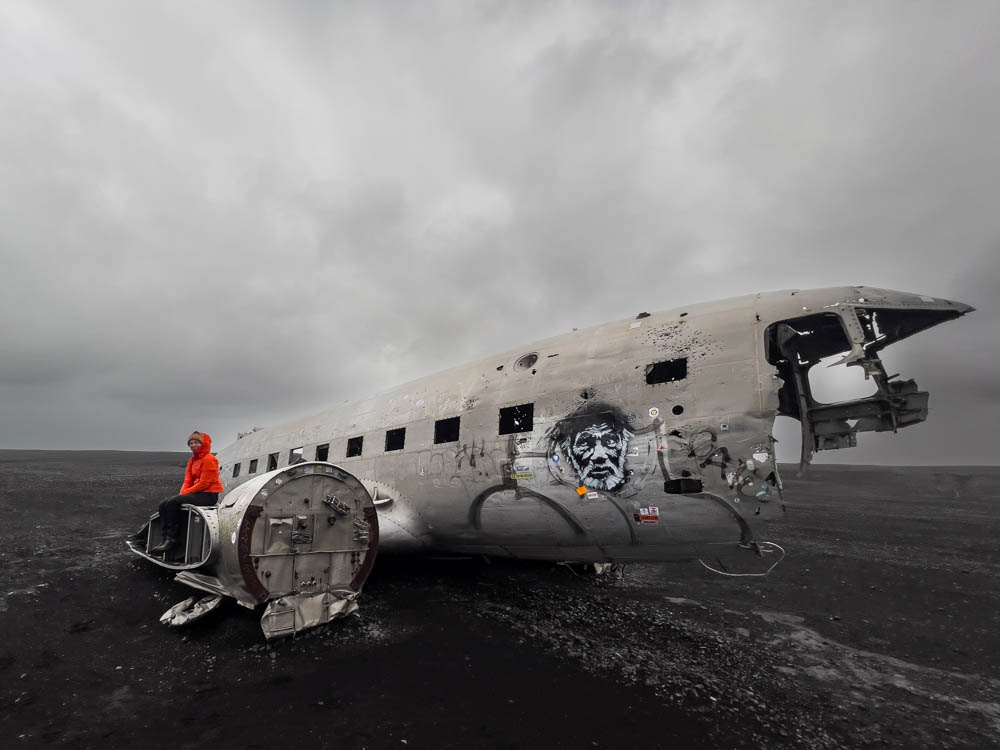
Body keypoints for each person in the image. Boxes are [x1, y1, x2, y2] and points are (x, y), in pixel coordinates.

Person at [151, 431, 225, 554]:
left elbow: (205, 483)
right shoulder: (192, 460)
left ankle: (172, 539)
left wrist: (186, 493)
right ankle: (165, 538)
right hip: (196, 493)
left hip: (208, 495)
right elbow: (188, 480)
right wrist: (182, 493)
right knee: (164, 503)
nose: (193, 445)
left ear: (203, 443)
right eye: (191, 443)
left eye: (196, 442)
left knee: (173, 502)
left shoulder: (210, 459)